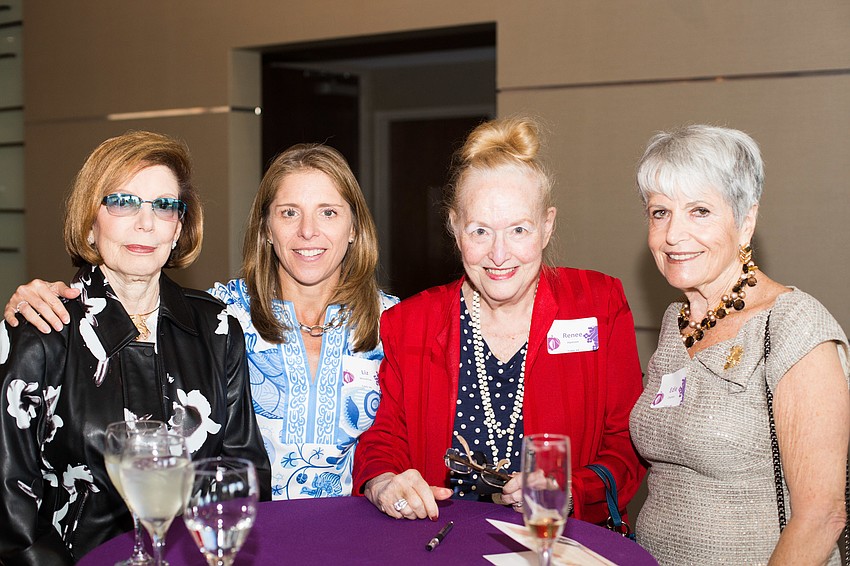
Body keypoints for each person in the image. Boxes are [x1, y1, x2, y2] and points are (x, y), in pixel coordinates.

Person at [4, 143, 398, 501]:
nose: (307, 231)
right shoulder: (225, 314)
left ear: (355, 229)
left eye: (328, 212)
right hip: (243, 537)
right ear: (266, 230)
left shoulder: (399, 323)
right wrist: (37, 298)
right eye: (288, 212)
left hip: (353, 534)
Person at [352, 116, 646, 525]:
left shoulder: (598, 305)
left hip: (559, 545)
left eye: (519, 230)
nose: (499, 254)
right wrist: (382, 481)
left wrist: (568, 489)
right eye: (480, 231)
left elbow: (627, 445)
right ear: (455, 230)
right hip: (441, 544)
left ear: (547, 226)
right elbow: (383, 438)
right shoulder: (409, 322)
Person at [0, 131, 271, 565]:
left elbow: (244, 472)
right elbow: (11, 511)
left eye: (164, 206)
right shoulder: (41, 330)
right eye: (123, 202)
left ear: (178, 227)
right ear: (90, 224)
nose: (146, 223)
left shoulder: (218, 327)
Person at [629, 125, 850, 564]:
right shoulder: (676, 322)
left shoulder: (792, 326)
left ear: (745, 221)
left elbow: (822, 515)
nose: (673, 235)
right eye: (660, 212)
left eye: (700, 211)